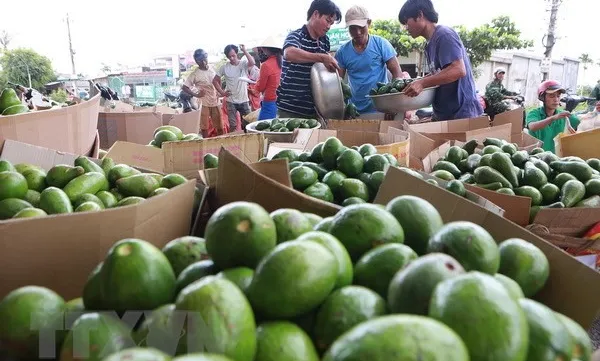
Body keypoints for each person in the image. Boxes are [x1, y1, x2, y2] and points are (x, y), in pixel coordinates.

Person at [398, 0, 483, 121]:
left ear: (420, 15)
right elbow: (439, 73)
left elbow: (458, 69)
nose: (406, 28)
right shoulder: (429, 44)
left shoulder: (444, 35)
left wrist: (422, 83)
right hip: (445, 115)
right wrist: (418, 81)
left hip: (461, 114)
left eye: (406, 22)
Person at [277, 0, 342, 119]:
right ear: (316, 14)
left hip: (315, 110)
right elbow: (289, 53)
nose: (328, 26)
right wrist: (322, 57)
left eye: (331, 24)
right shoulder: (296, 36)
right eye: (327, 20)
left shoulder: (324, 41)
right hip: (291, 109)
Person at [334, 5, 404, 115]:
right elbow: (338, 84)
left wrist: (392, 105)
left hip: (382, 109)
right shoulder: (342, 52)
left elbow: (397, 74)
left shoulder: (381, 44)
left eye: (361, 27)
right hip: (355, 111)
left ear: (369, 23)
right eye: (352, 28)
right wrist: (343, 107)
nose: (357, 32)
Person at [525, 80, 580, 153]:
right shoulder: (534, 113)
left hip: (556, 159)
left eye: (558, 96)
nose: (556, 99)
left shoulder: (563, 115)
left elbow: (581, 123)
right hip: (536, 157)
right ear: (542, 98)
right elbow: (532, 126)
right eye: (551, 96)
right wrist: (553, 118)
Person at [181, 49, 224, 137]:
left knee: (220, 126)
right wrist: (196, 95)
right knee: (204, 127)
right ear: (197, 61)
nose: (204, 61)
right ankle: (205, 144)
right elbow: (185, 87)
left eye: (205, 58)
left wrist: (220, 91)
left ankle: (221, 142)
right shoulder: (195, 74)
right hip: (203, 102)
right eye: (200, 60)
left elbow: (218, 79)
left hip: (215, 101)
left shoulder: (212, 68)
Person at [214, 44, 255, 131]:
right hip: (231, 101)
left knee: (247, 124)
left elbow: (252, 62)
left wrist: (244, 50)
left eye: (233, 56)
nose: (232, 58)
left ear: (237, 54)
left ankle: (247, 142)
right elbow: (215, 81)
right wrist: (222, 92)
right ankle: (233, 143)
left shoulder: (243, 64)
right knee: (232, 125)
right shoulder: (224, 67)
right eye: (229, 57)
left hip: (244, 100)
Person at [255, 37, 283, 120]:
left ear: (266, 49)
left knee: (262, 129)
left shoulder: (266, 65)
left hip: (270, 102)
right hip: (282, 101)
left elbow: (261, 87)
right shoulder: (283, 61)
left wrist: (256, 85)